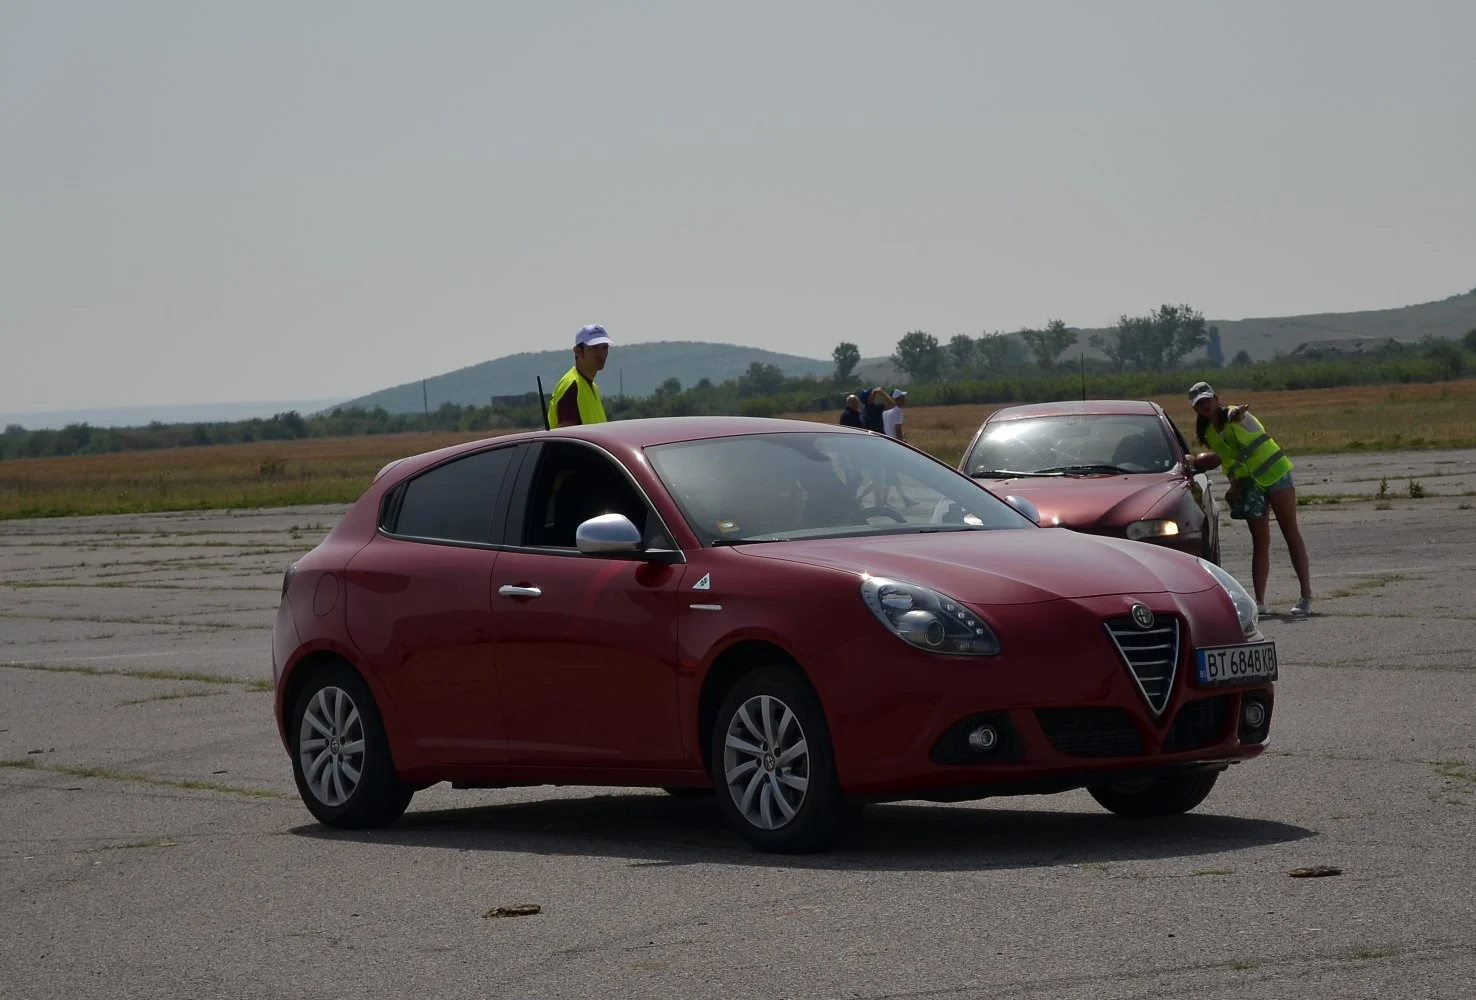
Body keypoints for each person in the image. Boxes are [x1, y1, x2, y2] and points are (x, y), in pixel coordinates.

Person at [1190, 381, 1312, 618]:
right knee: (1260, 541)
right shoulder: (1209, 434)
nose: (1205, 405)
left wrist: (1235, 413)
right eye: (1199, 404)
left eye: (1207, 400)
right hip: (1251, 484)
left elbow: (1237, 414)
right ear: (1195, 409)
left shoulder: (1236, 415)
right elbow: (1230, 461)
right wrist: (1234, 487)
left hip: (1276, 475)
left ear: (1216, 398)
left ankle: (1306, 596)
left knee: (1290, 533)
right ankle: (1259, 601)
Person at [547, 325, 611, 428]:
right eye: (594, 348)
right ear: (578, 351)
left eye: (605, 347)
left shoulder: (592, 386)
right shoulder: (572, 385)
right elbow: (566, 438)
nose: (601, 353)